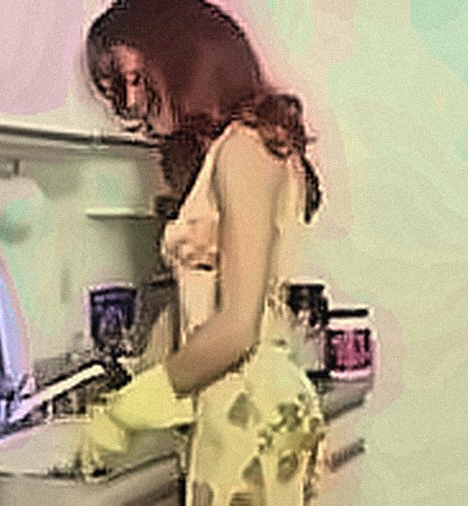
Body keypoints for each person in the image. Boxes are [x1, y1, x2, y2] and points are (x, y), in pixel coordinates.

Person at [78, 1, 325, 504]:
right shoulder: (243, 149)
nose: (129, 104)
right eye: (114, 89)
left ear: (183, 58)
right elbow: (207, 301)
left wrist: (129, 409)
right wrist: (145, 376)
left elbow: (236, 329)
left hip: (249, 410)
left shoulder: (244, 149)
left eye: (135, 80)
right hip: (248, 408)